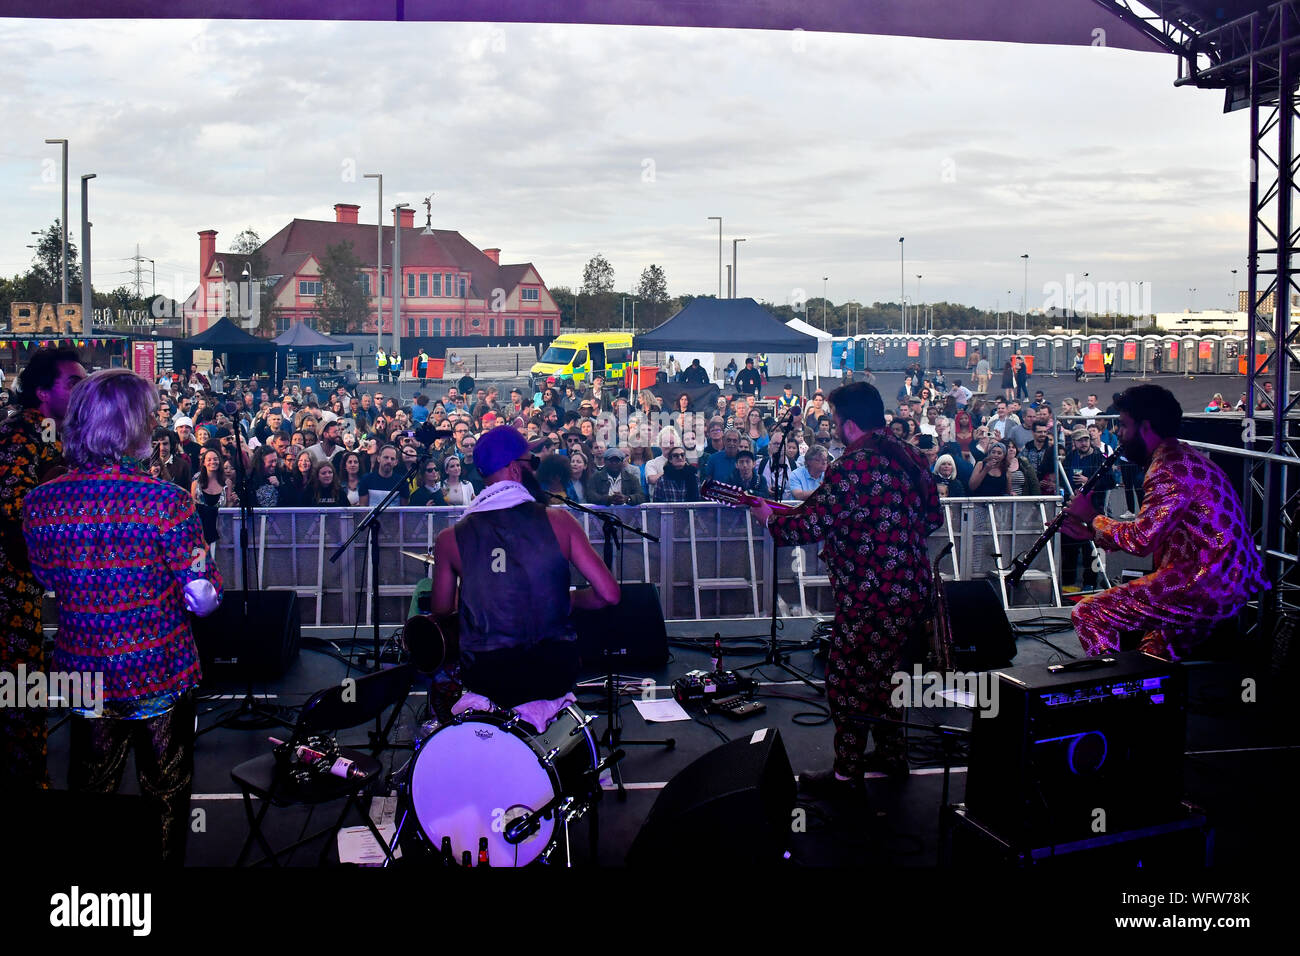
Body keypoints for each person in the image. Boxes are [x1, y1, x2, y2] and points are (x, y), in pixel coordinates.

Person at [22, 368, 223, 864]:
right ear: (132, 425)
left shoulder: (41, 502)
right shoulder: (167, 502)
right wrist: (201, 587)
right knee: (166, 793)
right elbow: (203, 594)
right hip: (159, 670)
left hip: (84, 671)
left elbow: (46, 577)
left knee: (90, 786)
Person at [750, 383, 942, 796]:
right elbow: (932, 519)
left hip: (869, 596)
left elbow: (809, 525)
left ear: (849, 424)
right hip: (911, 588)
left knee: (847, 680)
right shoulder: (911, 456)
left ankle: (846, 776)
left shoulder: (851, 467)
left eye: (835, 420)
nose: (833, 428)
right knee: (889, 675)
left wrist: (768, 518)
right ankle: (892, 756)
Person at [1063, 385, 1267, 660]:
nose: (1119, 434)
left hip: (1204, 583)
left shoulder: (1169, 469)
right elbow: (1158, 532)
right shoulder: (1184, 457)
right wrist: (1090, 533)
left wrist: (1090, 515)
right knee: (1153, 653)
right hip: (1228, 580)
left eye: (1123, 425)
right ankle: (1150, 694)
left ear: (1145, 427)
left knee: (1089, 613)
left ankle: (1110, 688)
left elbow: (1142, 539)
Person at [429, 428, 620, 708]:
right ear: (517, 471)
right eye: (534, 463)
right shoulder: (561, 522)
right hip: (552, 669)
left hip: (486, 672)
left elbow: (442, 609)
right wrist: (569, 599)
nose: (536, 471)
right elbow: (609, 595)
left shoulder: (450, 539)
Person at [0, 346, 86, 791]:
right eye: (72, 382)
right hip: (9, 596)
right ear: (40, 391)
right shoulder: (22, 432)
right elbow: (15, 516)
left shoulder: (43, 433)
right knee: (21, 698)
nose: (81, 388)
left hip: (20, 591)